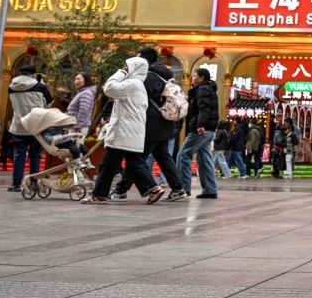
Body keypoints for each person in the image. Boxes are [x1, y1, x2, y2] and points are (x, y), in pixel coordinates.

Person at [81, 58, 164, 204]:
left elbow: (109, 88)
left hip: (123, 131)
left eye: (127, 65)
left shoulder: (132, 84)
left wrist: (122, 72)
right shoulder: (138, 85)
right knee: (133, 162)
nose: (125, 67)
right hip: (130, 131)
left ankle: (99, 195)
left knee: (109, 164)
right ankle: (152, 188)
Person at [109, 47, 187, 202]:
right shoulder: (167, 77)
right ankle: (178, 188)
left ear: (144, 60)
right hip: (165, 124)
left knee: (135, 160)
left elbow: (137, 101)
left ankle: (121, 191)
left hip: (149, 126)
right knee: (164, 158)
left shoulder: (147, 77)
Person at [7, 64, 52, 192]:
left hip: (19, 126)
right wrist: (41, 83)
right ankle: (33, 182)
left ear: (20, 73)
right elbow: (49, 102)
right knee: (35, 155)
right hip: (36, 126)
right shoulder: (39, 86)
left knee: (19, 155)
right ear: (33, 74)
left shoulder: (11, 87)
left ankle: (16, 183)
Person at [175, 68, 220, 199]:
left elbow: (204, 108)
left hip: (201, 130)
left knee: (183, 155)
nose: (192, 79)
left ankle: (183, 188)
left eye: (195, 76)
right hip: (208, 130)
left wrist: (200, 125)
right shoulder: (208, 89)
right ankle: (210, 190)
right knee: (205, 159)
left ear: (201, 78)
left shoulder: (202, 90)